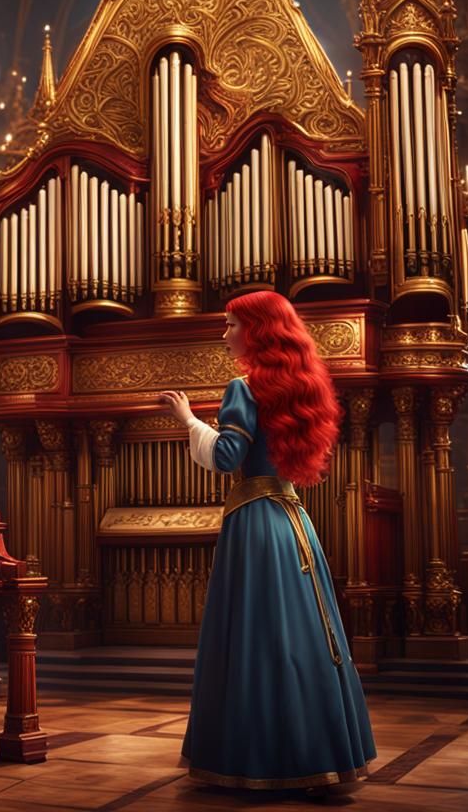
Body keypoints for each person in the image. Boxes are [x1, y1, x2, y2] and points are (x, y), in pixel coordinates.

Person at [160, 291, 375, 792]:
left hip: (254, 525)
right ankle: (317, 757)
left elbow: (229, 457)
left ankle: (257, 760)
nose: (224, 333)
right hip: (293, 521)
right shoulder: (297, 387)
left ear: (256, 330)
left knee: (255, 642)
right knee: (300, 639)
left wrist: (188, 420)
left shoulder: (244, 387)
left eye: (231, 324)